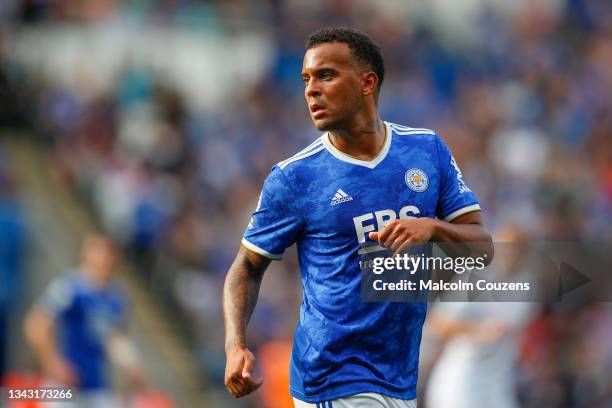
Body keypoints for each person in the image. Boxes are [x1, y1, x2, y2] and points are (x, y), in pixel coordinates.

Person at [223, 27, 493, 408]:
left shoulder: (426, 150)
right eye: (306, 79)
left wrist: (432, 227)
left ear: (368, 82)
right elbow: (246, 267)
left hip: (399, 377)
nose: (311, 89)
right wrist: (235, 345)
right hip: (333, 377)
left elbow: (481, 250)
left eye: (326, 75)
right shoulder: (295, 177)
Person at [24, 234, 143, 407]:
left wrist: (131, 366)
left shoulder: (116, 296)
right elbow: (36, 324)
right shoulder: (70, 287)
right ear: (87, 255)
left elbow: (117, 338)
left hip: (97, 384)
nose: (104, 259)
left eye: (108, 254)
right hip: (66, 384)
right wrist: (52, 361)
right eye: (98, 253)